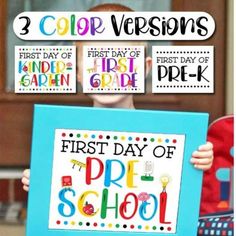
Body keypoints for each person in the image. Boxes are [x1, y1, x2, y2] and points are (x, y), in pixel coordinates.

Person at [22, 3, 214, 192]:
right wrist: (41, 181)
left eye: (121, 62)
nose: (108, 75)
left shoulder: (164, 135)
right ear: (78, 72)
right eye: (95, 63)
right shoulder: (61, 135)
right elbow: (59, 185)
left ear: (144, 69)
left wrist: (200, 162)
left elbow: (175, 185)